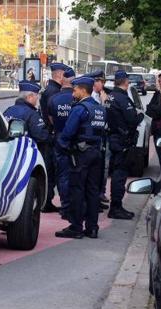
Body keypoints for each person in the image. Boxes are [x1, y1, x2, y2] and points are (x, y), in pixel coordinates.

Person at [55, 76, 106, 239]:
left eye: (75, 89)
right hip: (97, 154)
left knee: (77, 189)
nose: (73, 92)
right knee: (92, 191)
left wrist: (61, 147)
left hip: (81, 154)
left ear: (83, 90)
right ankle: (92, 227)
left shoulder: (80, 109)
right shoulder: (100, 109)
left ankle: (76, 227)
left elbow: (68, 132)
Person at [106, 70, 144, 220]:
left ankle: (115, 206)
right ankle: (116, 207)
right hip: (122, 141)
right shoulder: (122, 99)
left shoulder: (110, 97)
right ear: (126, 81)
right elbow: (132, 120)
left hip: (113, 138)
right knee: (120, 175)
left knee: (116, 172)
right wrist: (140, 115)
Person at [3, 82, 51, 188]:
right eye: (36, 96)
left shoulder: (9, 110)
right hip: (26, 157)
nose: (37, 99)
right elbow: (42, 135)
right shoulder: (31, 114)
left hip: (9, 155)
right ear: (29, 96)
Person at [39, 62, 68, 213]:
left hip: (49, 133)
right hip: (52, 134)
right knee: (53, 170)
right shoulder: (54, 92)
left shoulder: (50, 89)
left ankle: (47, 200)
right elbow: (53, 116)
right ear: (60, 75)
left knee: (51, 170)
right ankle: (47, 200)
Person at [47, 66, 76, 220]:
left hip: (59, 139)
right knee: (77, 175)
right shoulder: (76, 98)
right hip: (75, 141)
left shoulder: (54, 99)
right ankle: (74, 206)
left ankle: (65, 206)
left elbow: (51, 119)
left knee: (62, 175)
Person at [85, 69, 112, 206]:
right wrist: (103, 104)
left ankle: (100, 193)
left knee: (103, 167)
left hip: (104, 136)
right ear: (94, 82)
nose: (102, 84)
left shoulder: (105, 94)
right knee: (95, 168)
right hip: (95, 136)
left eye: (103, 81)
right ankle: (94, 196)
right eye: (100, 81)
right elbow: (100, 117)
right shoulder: (92, 97)